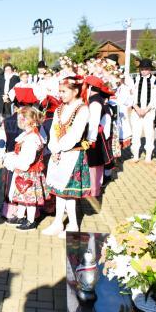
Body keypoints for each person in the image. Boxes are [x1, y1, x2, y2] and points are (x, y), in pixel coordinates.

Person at [43, 76, 91, 238]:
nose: (61, 94)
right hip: (58, 154)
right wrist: (53, 149)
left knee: (69, 192)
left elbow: (75, 134)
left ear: (75, 91)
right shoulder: (59, 109)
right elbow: (53, 131)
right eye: (60, 91)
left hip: (73, 154)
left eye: (64, 91)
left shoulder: (82, 109)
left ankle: (73, 225)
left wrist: (59, 149)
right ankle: (57, 222)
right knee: (58, 190)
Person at [2, 106, 50, 230]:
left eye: (24, 118)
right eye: (20, 117)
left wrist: (14, 163)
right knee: (22, 197)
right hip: (25, 172)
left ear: (33, 121)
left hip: (29, 173)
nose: (21, 119)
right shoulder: (28, 134)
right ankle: (20, 216)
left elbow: (27, 160)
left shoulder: (32, 138)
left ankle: (30, 220)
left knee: (29, 199)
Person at [83, 76, 114, 198]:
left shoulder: (95, 102)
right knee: (95, 165)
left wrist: (91, 140)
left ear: (90, 87)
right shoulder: (94, 99)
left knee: (94, 165)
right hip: (95, 136)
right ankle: (95, 188)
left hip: (94, 137)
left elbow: (94, 122)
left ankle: (94, 190)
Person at [130, 58, 156, 162]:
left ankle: (148, 156)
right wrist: (137, 108)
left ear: (150, 69)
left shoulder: (155, 80)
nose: (144, 71)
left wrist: (146, 109)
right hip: (136, 111)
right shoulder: (134, 80)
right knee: (136, 133)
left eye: (146, 69)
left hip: (149, 111)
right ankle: (136, 155)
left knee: (149, 134)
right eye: (142, 69)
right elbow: (131, 96)